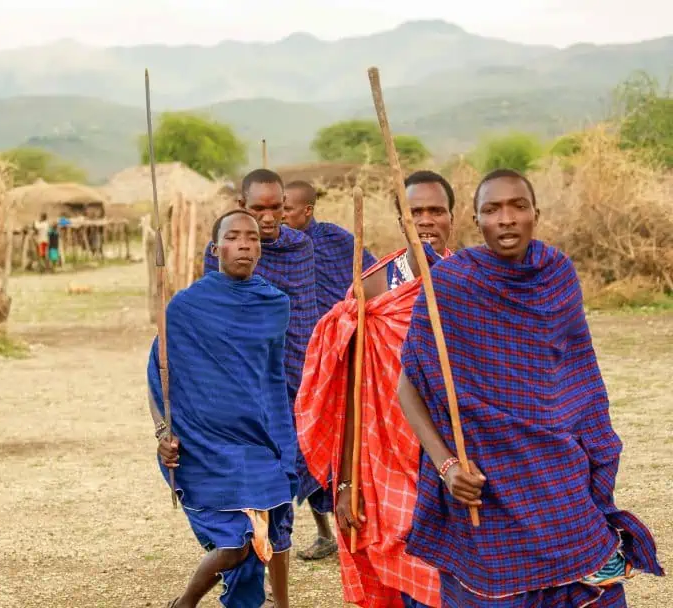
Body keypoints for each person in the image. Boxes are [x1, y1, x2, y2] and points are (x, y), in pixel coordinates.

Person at [397, 169, 665, 607]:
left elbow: (581, 377)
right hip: (485, 483)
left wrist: (593, 449)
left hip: (556, 471)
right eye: (492, 209)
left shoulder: (557, 274)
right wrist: (446, 467)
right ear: (476, 220)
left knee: (585, 584)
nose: (506, 218)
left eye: (517, 206)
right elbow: (408, 386)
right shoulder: (451, 284)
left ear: (536, 214)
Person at [296, 170, 455, 608]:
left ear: (452, 220)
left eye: (435, 211)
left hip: (458, 450)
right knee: (402, 568)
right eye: (413, 211)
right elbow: (350, 396)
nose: (425, 220)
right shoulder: (371, 289)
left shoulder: (470, 281)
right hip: (386, 455)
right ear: (400, 220)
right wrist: (346, 484)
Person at [151, 209, 298, 608]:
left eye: (252, 238)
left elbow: (272, 377)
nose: (245, 245)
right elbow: (160, 374)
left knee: (266, 531)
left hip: (258, 441)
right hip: (205, 446)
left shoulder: (274, 305)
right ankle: (186, 602)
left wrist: (283, 439)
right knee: (235, 546)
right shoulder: (185, 308)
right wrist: (164, 434)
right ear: (216, 248)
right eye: (234, 237)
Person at [202, 169, 321, 572]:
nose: (268, 218)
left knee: (287, 478)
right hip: (245, 389)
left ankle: (276, 559)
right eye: (258, 209)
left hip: (295, 382)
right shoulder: (219, 251)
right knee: (247, 482)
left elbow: (304, 316)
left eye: (276, 208)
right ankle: (242, 561)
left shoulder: (300, 248)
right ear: (242, 206)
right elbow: (217, 319)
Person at [281, 179, 377, 561]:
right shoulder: (276, 250)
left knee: (341, 446)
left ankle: (351, 523)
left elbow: (368, 281)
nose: (280, 216)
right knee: (300, 450)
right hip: (292, 362)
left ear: (307, 210)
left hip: (337, 358)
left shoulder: (336, 242)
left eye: (287, 208)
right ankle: (324, 533)